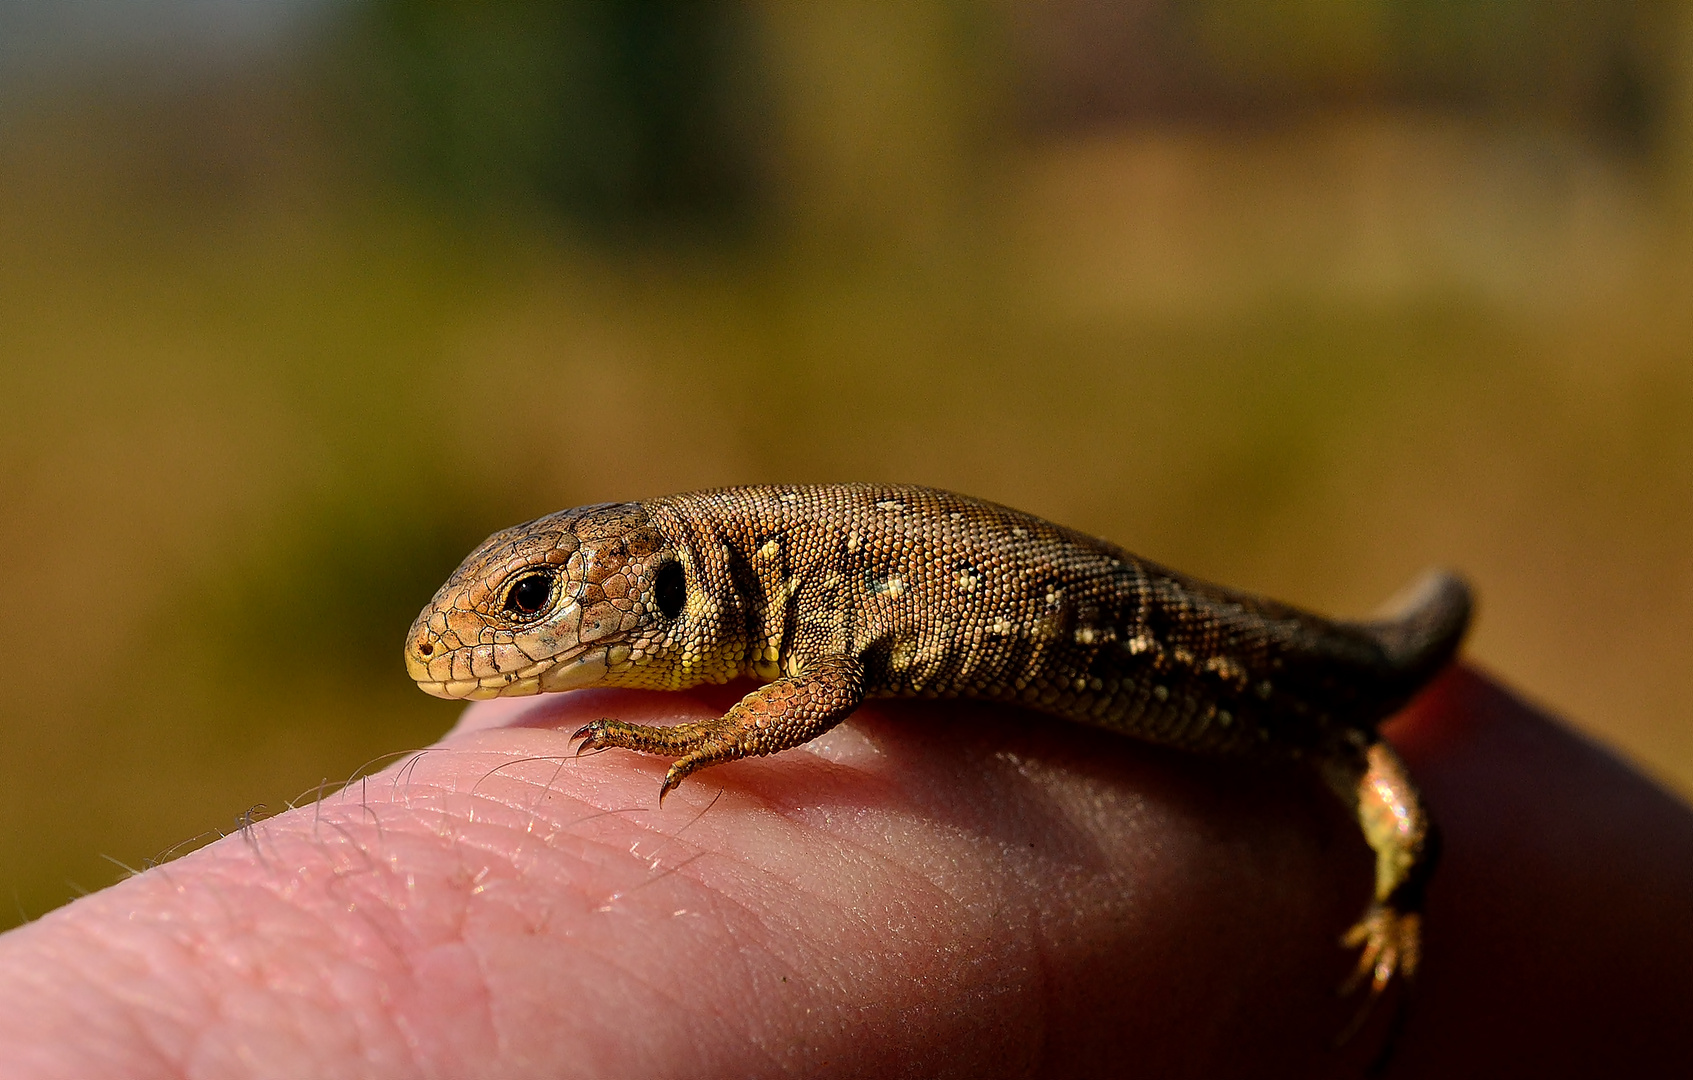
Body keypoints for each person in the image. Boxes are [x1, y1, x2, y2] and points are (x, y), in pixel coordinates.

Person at [0, 665, 1688, 1077]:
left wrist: (1398, 887)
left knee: (1362, 775)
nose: (488, 654)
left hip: (1299, 693)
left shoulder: (805, 639)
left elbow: (828, 686)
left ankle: (1393, 888)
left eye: (535, 611)